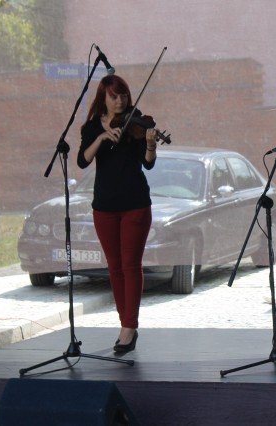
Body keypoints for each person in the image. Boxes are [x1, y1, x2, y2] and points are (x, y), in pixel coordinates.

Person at [77, 74, 159, 354]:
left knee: (130, 265)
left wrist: (150, 144)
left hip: (135, 203)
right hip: (104, 207)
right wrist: (101, 137)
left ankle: (129, 328)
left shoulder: (137, 124)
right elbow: (82, 160)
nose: (121, 100)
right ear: (104, 98)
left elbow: (147, 164)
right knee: (114, 266)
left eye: (123, 95)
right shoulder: (90, 128)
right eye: (114, 96)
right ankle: (125, 323)